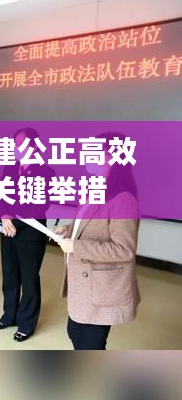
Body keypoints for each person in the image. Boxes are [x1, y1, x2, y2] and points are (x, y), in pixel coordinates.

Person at [54, 132, 140, 350]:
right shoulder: (95, 187)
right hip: (83, 283)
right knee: (75, 332)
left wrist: (75, 246)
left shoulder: (124, 199)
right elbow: (88, 223)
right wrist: (69, 229)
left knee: (89, 344)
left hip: (101, 288)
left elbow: (124, 249)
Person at [0, 127, 55, 342]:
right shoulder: (10, 167)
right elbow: (0, 195)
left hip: (30, 233)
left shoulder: (46, 172)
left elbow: (39, 206)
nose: (18, 148)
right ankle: (9, 316)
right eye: (16, 145)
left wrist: (12, 222)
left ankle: (26, 323)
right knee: (10, 275)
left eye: (22, 144)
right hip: (8, 230)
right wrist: (4, 217)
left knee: (29, 278)